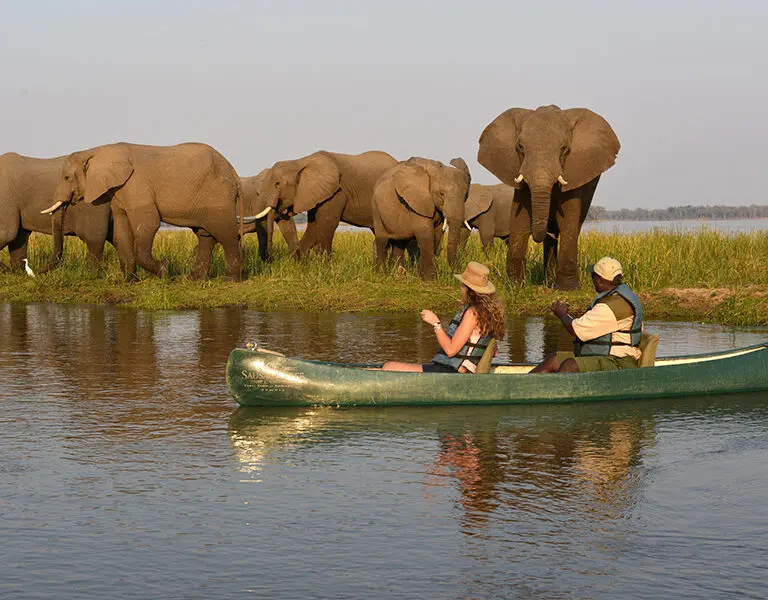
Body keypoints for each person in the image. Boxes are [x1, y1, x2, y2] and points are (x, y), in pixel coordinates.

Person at [382, 261, 507, 373]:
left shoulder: (472, 313)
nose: (461, 288)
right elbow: (494, 350)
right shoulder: (488, 314)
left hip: (452, 371)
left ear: (469, 289)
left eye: (462, 285)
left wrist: (436, 323)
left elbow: (451, 350)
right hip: (455, 370)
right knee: (387, 366)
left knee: (388, 367)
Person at [531, 256, 643, 373]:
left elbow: (575, 330)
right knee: (553, 360)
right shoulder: (618, 297)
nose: (592, 279)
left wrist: (562, 314)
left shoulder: (610, 306)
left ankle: (556, 391)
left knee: (570, 365)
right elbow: (583, 325)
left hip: (618, 362)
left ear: (601, 280)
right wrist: (565, 315)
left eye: (593, 276)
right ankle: (524, 387)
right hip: (603, 356)